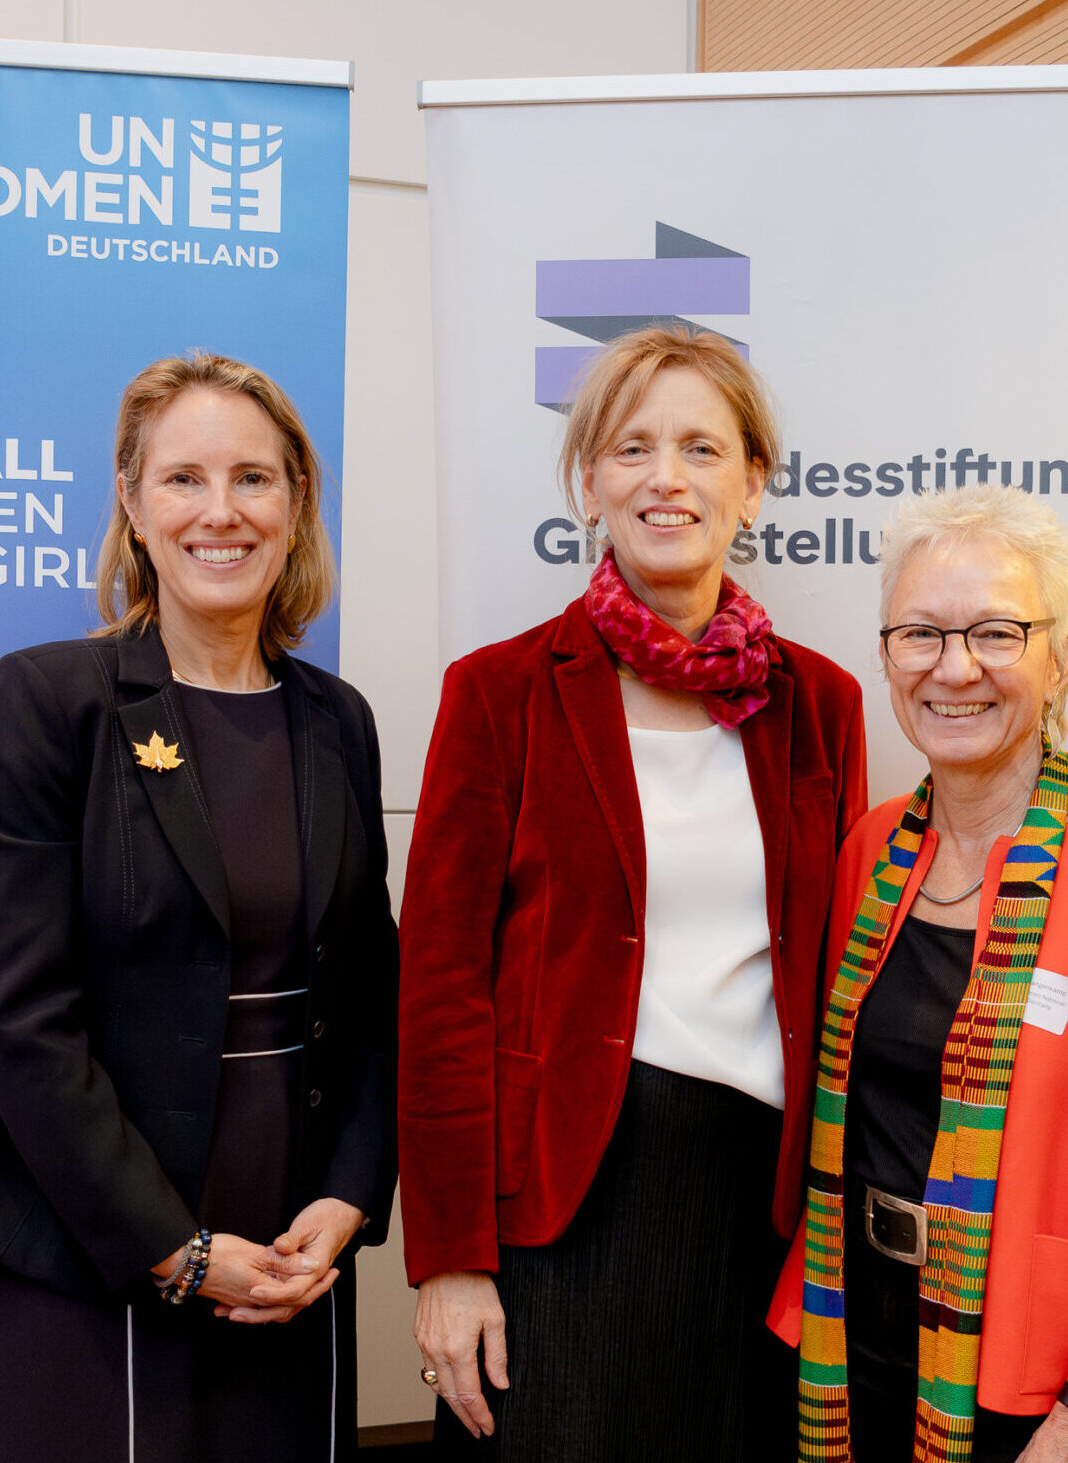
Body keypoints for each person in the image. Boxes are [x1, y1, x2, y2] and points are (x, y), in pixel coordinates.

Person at [398, 326, 868, 1460]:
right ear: (589, 479)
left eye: (701, 447)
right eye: (632, 448)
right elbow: (440, 987)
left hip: (758, 1200)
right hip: (557, 1203)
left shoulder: (823, 704)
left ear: (752, 483)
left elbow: (836, 966)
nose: (667, 477)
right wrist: (449, 1257)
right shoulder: (500, 692)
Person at [0, 353, 397, 1462]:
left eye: (254, 477)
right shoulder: (52, 700)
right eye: (184, 478)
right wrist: (173, 1249)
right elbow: (22, 1023)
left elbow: (375, 992)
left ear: (294, 508)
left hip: (290, 1250)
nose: (221, 511)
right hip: (98, 1244)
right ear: (133, 506)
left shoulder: (336, 719)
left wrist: (347, 1196)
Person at [767, 482, 1068, 1463]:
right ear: (886, 658)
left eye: (994, 632)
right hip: (844, 1329)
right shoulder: (868, 848)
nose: (954, 667)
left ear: (1059, 663)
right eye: (920, 634)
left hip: (1033, 1363)